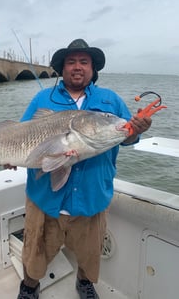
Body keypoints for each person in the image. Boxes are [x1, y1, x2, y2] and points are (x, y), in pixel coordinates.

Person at [17, 39, 152, 299]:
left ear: (92, 68)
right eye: (71, 62)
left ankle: (84, 283)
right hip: (45, 199)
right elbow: (21, 137)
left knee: (89, 255)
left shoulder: (110, 100)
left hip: (92, 197)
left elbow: (128, 136)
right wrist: (10, 156)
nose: (77, 67)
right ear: (62, 68)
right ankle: (29, 286)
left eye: (83, 62)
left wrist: (137, 130)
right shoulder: (43, 98)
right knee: (34, 252)